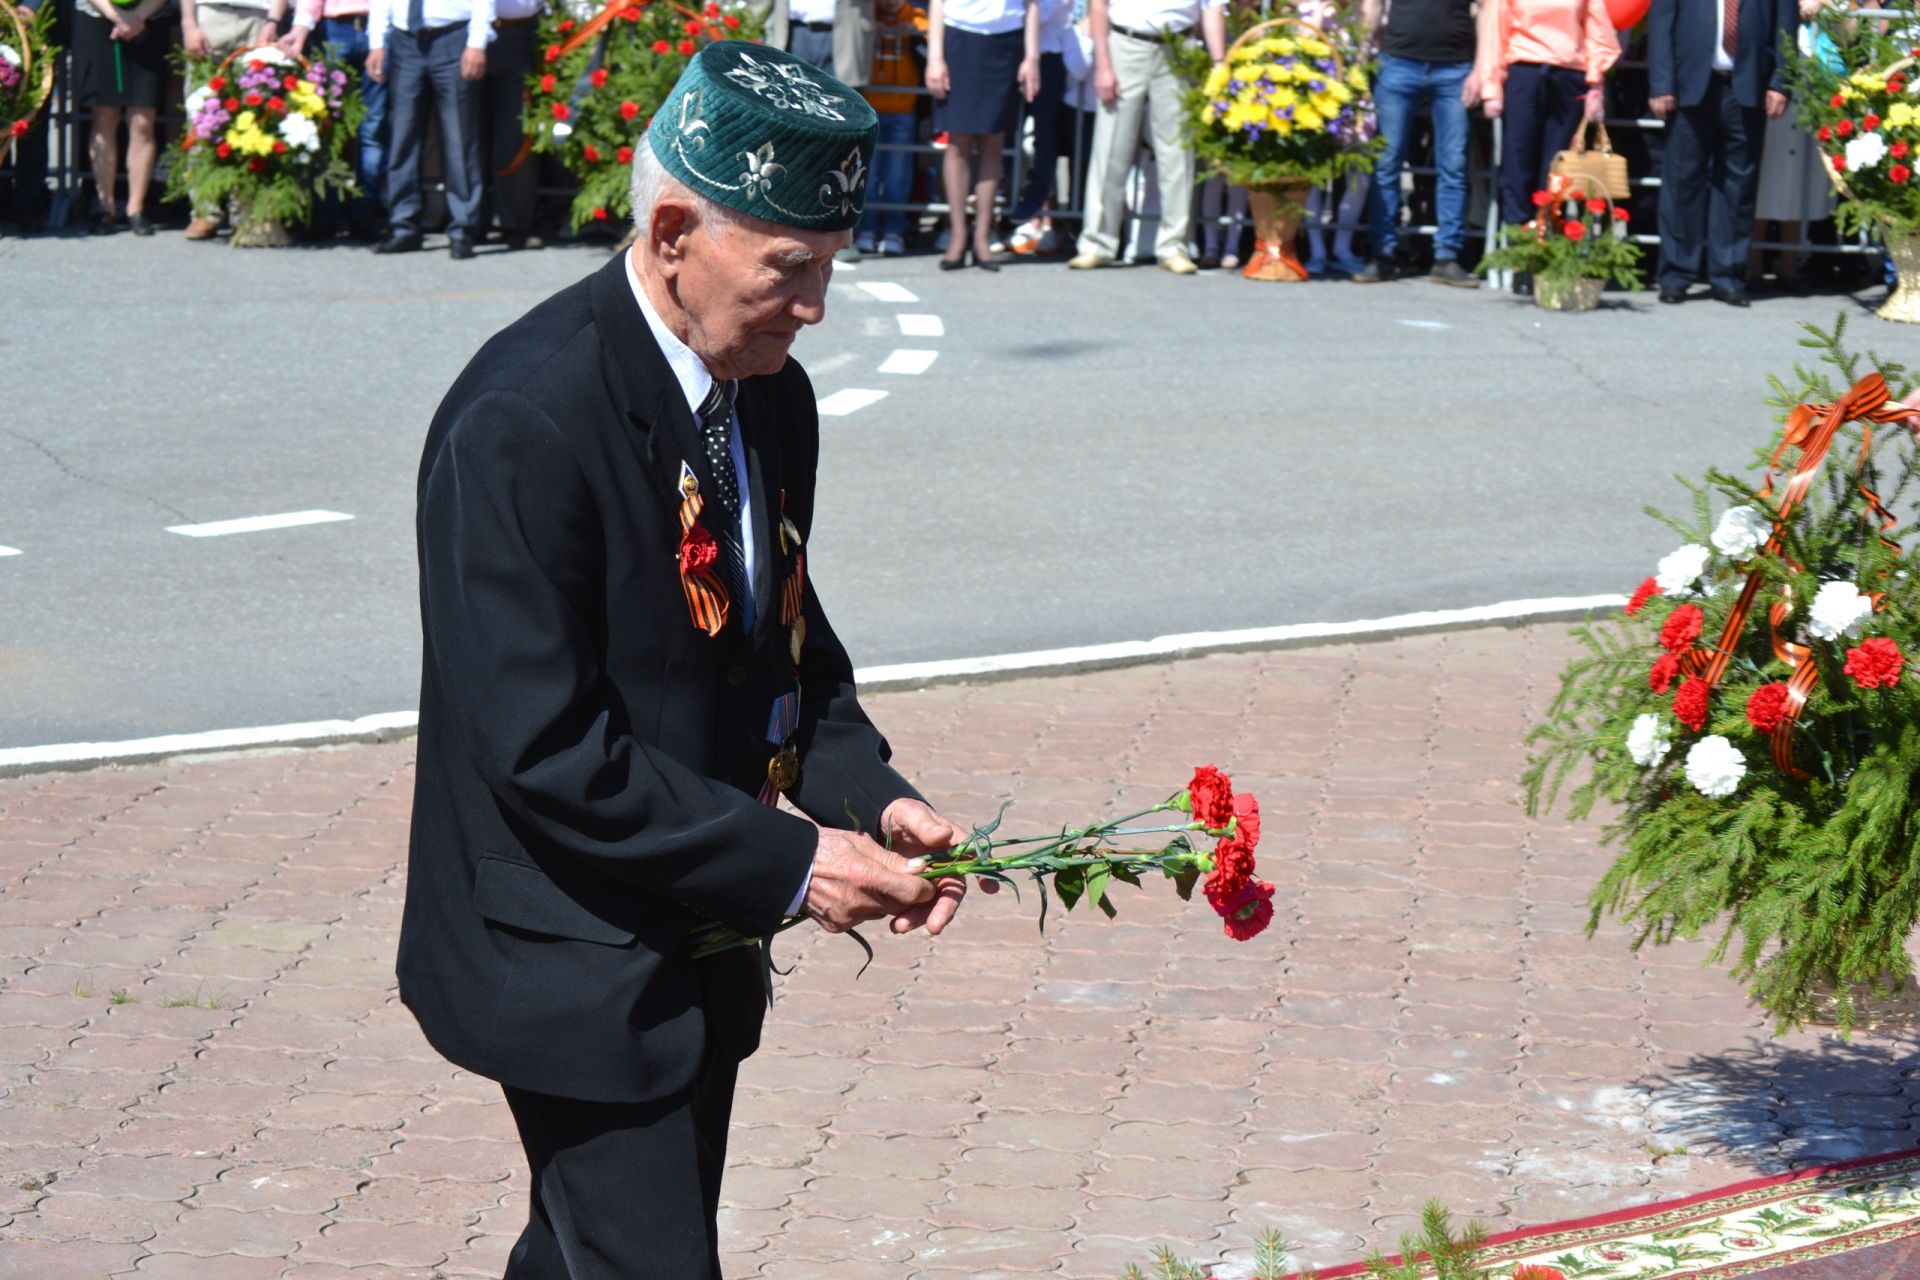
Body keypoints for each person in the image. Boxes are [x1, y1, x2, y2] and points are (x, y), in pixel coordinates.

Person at [402, 41, 981, 1278]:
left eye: (829, 268)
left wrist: (871, 792)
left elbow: (783, 643)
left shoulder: (767, 386)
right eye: (790, 269)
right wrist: (796, 863)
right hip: (565, 953)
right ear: (673, 232)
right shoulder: (525, 416)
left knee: (580, 1255)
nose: (816, 305)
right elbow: (543, 744)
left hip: (690, 936)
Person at [1647, 0, 1796, 305]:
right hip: (1689, 84)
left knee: (1738, 185)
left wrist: (1781, 83)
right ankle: (1676, 274)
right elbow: (1662, 21)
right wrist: (1661, 83)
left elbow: (1786, 26)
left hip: (1747, 85)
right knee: (1681, 182)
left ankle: (1728, 275)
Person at [1066, 0, 1226, 274]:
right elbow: (1099, 6)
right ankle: (1097, 244)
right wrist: (1103, 64)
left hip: (1179, 46)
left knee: (1178, 151)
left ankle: (1174, 246)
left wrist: (1219, 63)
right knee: (1111, 147)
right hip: (1126, 43)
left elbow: (1212, 8)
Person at [1356, 0, 1480, 285]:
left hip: (1455, 67)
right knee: (1387, 162)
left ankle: (1447, 256)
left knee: (1454, 164)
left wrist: (1480, 69)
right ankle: (1383, 253)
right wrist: (1362, 60)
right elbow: (1373, 5)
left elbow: (1486, 11)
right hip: (1398, 62)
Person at [1475, 0, 1620, 228]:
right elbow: (1495, 31)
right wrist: (1491, 87)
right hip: (1525, 71)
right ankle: (1519, 239)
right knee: (1518, 159)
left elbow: (1596, 28)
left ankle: (1550, 234)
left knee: (1558, 166)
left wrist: (1596, 83)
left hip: (1569, 76)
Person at [366, 0, 494, 257]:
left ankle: (463, 228)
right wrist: (377, 42)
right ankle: (403, 226)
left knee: (460, 139)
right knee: (403, 138)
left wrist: (477, 42)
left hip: (454, 37)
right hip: (405, 41)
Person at [926, 0, 1039, 269]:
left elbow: (1033, 5)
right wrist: (935, 58)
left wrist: (1032, 57)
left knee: (993, 141)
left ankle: (982, 237)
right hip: (959, 37)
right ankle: (957, 234)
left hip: (1006, 41)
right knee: (958, 142)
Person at [283, 0, 393, 240]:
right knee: (326, 125)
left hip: (379, 28)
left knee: (373, 128)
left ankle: (364, 214)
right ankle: (325, 214)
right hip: (334, 28)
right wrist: (302, 25)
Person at [182, 0, 290, 239]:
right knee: (202, 114)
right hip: (210, 13)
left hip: (259, 16)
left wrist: (274, 20)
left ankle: (246, 210)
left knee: (255, 117)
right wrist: (189, 24)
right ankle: (204, 210)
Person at [70, 0, 175, 234]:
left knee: (142, 121)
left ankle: (135, 208)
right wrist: (116, 16)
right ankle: (104, 206)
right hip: (97, 18)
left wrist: (137, 17)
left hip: (150, 19)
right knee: (104, 115)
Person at [1003, 0, 1075, 254]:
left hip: (1047, 56)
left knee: (1044, 136)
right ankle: (1006, 194)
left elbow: (1037, 14)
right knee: (1005, 132)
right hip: (1009, 51)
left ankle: (1038, 199)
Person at [856, 0, 927, 256]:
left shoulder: (917, 17)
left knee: (898, 173)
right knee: (870, 173)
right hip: (870, 104)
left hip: (904, 107)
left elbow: (929, 43)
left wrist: (914, 34)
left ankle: (894, 230)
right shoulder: (866, 15)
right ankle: (866, 227)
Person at [481, 0, 543, 248]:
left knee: (514, 133)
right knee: (467, 133)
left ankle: (514, 223)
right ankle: (472, 221)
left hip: (519, 31)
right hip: (462, 33)